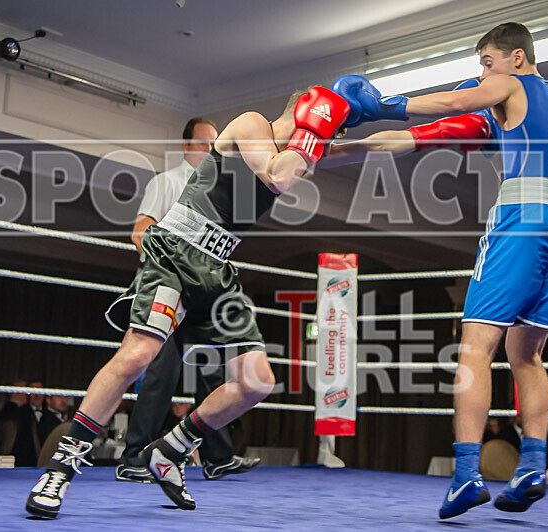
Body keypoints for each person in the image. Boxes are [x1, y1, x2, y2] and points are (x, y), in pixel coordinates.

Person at [25, 86, 351, 519]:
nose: (324, 141)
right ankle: (59, 469)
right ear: (306, 112)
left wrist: (419, 128)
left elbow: (352, 154)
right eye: (325, 129)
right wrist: (312, 134)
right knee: (137, 356)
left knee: (256, 382)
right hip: (175, 253)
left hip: (218, 269)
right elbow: (275, 175)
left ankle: (172, 450)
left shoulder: (300, 153)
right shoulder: (253, 124)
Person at [332, 22, 548, 517]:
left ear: (516, 57)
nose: (482, 76)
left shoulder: (512, 84)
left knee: (474, 347)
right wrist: (340, 150)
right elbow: (460, 144)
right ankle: (534, 464)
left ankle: (467, 475)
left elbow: (448, 107)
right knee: (526, 354)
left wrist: (378, 104)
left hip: (523, 222)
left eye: (486, 63)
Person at [117, 116, 259, 484]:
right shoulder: (167, 182)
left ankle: (217, 456)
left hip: (204, 292)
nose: (210, 150)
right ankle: (134, 458)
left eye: (215, 144)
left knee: (213, 370)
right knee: (160, 373)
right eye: (203, 143)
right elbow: (141, 231)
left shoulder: (220, 185)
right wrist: (168, 272)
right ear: (185, 146)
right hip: (169, 289)